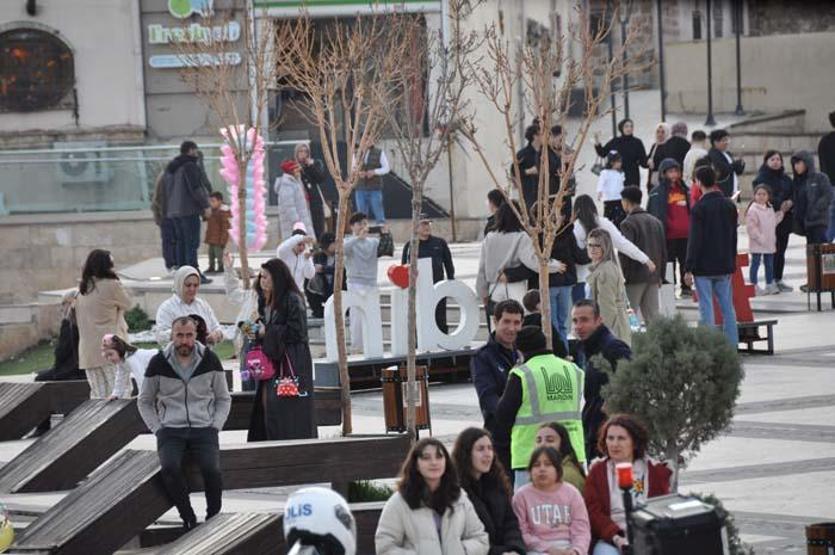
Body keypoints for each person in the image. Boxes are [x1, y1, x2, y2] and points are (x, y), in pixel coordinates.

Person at [138, 316, 231, 531]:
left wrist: (215, 426)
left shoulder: (210, 359)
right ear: (172, 336)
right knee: (169, 468)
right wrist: (158, 429)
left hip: (204, 428)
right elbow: (144, 401)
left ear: (196, 335)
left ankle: (213, 517)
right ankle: (187, 517)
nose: (184, 341)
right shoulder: (158, 362)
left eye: (189, 335)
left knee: (212, 470)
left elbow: (223, 398)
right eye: (179, 335)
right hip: (170, 430)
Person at [493, 326, 585, 489]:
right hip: (572, 455)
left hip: (531, 459)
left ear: (519, 351)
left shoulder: (522, 374)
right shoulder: (574, 369)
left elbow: (502, 416)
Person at [375, 438, 490, 555]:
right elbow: (385, 548)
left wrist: (462, 550)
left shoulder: (459, 498)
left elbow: (480, 539)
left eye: (439, 457)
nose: (434, 462)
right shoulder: (399, 502)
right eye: (426, 458)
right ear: (416, 464)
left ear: (446, 462)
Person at [247, 258, 317, 441]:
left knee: (287, 410)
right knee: (267, 407)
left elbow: (297, 332)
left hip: (291, 363)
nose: (262, 281)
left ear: (277, 278)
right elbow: (263, 328)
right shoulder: (264, 300)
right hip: (270, 363)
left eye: (266, 277)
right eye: (260, 277)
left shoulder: (292, 299)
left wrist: (267, 331)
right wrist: (253, 329)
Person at [584, 414, 671, 555]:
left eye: (621, 438)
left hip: (647, 536)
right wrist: (616, 537)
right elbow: (593, 512)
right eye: (610, 438)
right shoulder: (597, 471)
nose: (614, 444)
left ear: (634, 443)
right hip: (611, 538)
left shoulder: (654, 471)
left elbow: (662, 508)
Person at [684, 166, 740, 347]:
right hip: (724, 264)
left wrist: (688, 267)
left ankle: (709, 347)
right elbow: (733, 236)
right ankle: (732, 346)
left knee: (706, 308)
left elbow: (695, 240)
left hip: (703, 266)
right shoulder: (729, 205)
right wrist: (732, 260)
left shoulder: (699, 208)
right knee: (727, 307)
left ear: (699, 182)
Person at [571, 300, 631, 461]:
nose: (578, 326)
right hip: (595, 434)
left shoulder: (613, 348)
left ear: (598, 320)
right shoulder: (589, 348)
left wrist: (609, 410)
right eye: (575, 321)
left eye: (584, 320)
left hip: (610, 437)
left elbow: (632, 382)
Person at [452, 428, 526, 555]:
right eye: (480, 449)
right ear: (466, 453)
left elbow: (511, 523)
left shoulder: (497, 484)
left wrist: (515, 549)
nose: (487, 454)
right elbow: (465, 538)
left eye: (490, 448)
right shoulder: (456, 492)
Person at [477, 201, 561, 312]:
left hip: (494, 287)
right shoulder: (521, 237)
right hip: (515, 286)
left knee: (498, 320)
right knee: (518, 317)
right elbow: (533, 262)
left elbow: (482, 269)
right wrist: (556, 266)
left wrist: (482, 293)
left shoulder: (489, 238)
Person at [572, 195, 655, 304]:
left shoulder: (575, 227)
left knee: (584, 312)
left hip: (581, 278)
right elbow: (623, 244)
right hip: (606, 277)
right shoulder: (604, 223)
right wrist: (645, 259)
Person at [74, 249, 132, 399]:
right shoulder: (112, 285)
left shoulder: (82, 290)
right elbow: (128, 303)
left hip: (88, 353)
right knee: (121, 393)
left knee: (98, 397)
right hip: (111, 348)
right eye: (111, 264)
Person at [512, 446, 591, 555]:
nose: (542, 469)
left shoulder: (572, 493)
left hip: (568, 546)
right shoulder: (521, 496)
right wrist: (549, 549)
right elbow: (522, 533)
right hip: (535, 549)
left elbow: (581, 529)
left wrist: (576, 550)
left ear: (558, 469)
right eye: (536, 465)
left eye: (548, 464)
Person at [471, 300, 523, 433]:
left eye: (516, 323)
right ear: (495, 321)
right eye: (506, 321)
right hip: (500, 433)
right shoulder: (483, 357)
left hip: (526, 431)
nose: (511, 328)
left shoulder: (525, 352)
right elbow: (488, 398)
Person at [165, 140, 212, 284]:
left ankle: (182, 274)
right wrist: (206, 205)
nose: (197, 153)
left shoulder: (172, 167)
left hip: (174, 211)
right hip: (188, 210)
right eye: (196, 150)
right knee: (191, 243)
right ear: (191, 150)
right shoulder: (189, 165)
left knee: (181, 242)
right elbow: (196, 188)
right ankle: (193, 273)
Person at [619, 186, 666, 324]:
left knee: (628, 319)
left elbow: (625, 252)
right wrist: (661, 276)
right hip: (653, 276)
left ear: (626, 201)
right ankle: (657, 340)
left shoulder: (627, 223)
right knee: (653, 319)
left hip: (633, 277)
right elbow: (663, 252)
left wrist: (622, 276)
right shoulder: (656, 222)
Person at [401, 215, 455, 332]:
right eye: (423, 224)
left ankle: (442, 338)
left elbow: (448, 264)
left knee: (440, 318)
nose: (427, 227)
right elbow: (404, 267)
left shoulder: (440, 243)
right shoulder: (410, 245)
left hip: (438, 287)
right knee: (421, 319)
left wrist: (451, 282)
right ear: (415, 226)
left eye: (428, 223)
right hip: (419, 289)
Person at [647, 159, 691, 296]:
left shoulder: (684, 190)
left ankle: (686, 288)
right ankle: (669, 291)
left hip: (685, 234)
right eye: (670, 171)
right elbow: (654, 213)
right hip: (668, 235)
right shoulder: (657, 192)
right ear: (664, 173)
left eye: (676, 171)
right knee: (668, 264)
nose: (674, 174)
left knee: (685, 262)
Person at [752, 151, 795, 292]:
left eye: (778, 159)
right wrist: (779, 204)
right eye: (772, 159)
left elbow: (793, 192)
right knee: (770, 253)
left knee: (781, 250)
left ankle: (778, 278)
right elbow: (762, 197)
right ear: (766, 161)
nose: (776, 162)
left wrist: (790, 202)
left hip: (785, 219)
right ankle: (769, 281)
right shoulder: (761, 179)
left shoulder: (786, 178)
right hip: (768, 219)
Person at [547, 214, 590, 352]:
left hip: (550, 282)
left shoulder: (543, 235)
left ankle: (556, 352)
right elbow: (579, 256)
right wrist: (592, 249)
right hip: (565, 282)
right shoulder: (568, 234)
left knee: (553, 323)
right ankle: (564, 353)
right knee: (562, 323)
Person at [154, 266, 223, 347]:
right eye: (188, 285)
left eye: (195, 285)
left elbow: (217, 328)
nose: (192, 289)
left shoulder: (203, 305)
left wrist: (215, 335)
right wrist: (179, 333)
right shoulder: (167, 308)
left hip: (203, 353)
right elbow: (160, 337)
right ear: (179, 284)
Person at [344, 212, 384, 351]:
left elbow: (387, 249)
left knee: (373, 316)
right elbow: (342, 250)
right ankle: (357, 347)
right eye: (359, 224)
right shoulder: (347, 241)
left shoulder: (373, 242)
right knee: (357, 318)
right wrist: (357, 238)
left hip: (371, 283)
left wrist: (386, 234)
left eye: (365, 223)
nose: (363, 226)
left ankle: (374, 347)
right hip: (355, 283)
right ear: (352, 226)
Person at [586, 229, 632, 346]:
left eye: (597, 245)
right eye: (590, 245)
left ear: (605, 247)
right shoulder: (602, 267)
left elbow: (607, 307)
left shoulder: (606, 270)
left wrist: (602, 335)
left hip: (611, 328)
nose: (593, 249)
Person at [222, 252, 258, 392]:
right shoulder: (251, 296)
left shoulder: (272, 303)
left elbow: (262, 329)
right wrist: (229, 269)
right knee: (246, 382)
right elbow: (233, 292)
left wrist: (245, 327)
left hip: (260, 353)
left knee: (258, 388)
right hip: (244, 350)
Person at [746, 184, 789, 296]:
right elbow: (751, 227)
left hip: (769, 243)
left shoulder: (769, 208)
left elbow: (773, 222)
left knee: (769, 264)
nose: (761, 196)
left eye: (764, 194)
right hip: (757, 243)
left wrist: (781, 213)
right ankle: (754, 285)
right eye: (758, 194)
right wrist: (760, 238)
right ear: (754, 196)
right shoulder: (753, 210)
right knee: (755, 263)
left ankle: (769, 283)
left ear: (768, 196)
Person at [35, 290, 85, 383]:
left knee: (39, 378)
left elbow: (62, 353)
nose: (62, 308)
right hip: (83, 369)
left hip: (71, 370)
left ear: (71, 304)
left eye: (63, 304)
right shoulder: (87, 321)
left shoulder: (68, 323)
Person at [791, 150, 833, 246]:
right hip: (805, 224)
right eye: (794, 164)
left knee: (821, 249)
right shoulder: (797, 182)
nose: (796, 166)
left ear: (807, 162)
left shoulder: (820, 178)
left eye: (798, 163)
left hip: (819, 222)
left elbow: (828, 195)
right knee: (812, 251)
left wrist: (816, 209)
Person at [529, 423, 586, 493]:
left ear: (563, 444)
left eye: (550, 440)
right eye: (538, 441)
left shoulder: (566, 476)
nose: (542, 445)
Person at [594, 119, 648, 189]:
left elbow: (643, 161)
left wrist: (649, 162)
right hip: (616, 176)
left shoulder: (637, 142)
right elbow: (602, 153)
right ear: (621, 128)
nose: (629, 128)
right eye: (626, 126)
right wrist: (597, 140)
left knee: (632, 194)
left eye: (631, 126)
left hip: (632, 177)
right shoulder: (615, 141)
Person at [100, 334, 156, 400]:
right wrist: (116, 394)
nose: (109, 358)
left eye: (111, 354)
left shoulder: (131, 359)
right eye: (106, 356)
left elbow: (140, 377)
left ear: (119, 350)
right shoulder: (122, 362)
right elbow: (120, 378)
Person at [275, 159, 315, 242]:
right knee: (295, 244)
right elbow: (289, 207)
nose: (299, 171)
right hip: (294, 224)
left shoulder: (296, 182)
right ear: (291, 171)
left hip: (302, 220)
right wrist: (297, 223)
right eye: (296, 169)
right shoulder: (286, 185)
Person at [295, 142, 329, 238]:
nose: (303, 154)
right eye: (301, 151)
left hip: (315, 201)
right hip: (301, 202)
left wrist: (311, 166)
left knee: (318, 228)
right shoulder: (294, 167)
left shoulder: (314, 164)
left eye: (306, 152)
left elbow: (320, 178)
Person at [522, 289, 567, 358]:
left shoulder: (523, 322)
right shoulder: (543, 321)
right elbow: (556, 340)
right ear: (538, 305)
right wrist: (564, 354)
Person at [355, 143, 390, 226]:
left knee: (378, 212)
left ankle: (381, 230)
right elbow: (353, 167)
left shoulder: (379, 152)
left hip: (375, 188)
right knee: (361, 215)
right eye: (367, 138)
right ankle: (362, 230)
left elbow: (386, 168)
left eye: (370, 138)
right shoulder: (356, 152)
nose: (369, 141)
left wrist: (374, 172)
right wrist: (359, 173)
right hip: (360, 187)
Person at [307, 232, 339, 319]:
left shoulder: (340, 255)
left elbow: (340, 269)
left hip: (337, 287)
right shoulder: (319, 256)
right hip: (323, 286)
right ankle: (318, 311)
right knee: (309, 280)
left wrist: (324, 269)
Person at [151, 170, 177, 273]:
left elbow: (156, 200)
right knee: (170, 241)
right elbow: (158, 200)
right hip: (168, 215)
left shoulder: (164, 177)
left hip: (167, 215)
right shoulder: (168, 177)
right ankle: (172, 264)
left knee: (169, 241)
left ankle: (172, 264)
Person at [277, 225, 316, 294]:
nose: (301, 248)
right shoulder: (284, 253)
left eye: (303, 245)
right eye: (299, 244)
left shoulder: (304, 255)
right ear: (293, 242)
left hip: (297, 292)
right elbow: (282, 248)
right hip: (282, 291)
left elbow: (310, 275)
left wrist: (308, 260)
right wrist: (302, 238)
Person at [707, 129, 745, 198]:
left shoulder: (727, 154)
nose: (726, 143)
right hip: (723, 189)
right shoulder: (713, 154)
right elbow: (723, 169)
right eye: (723, 140)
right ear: (715, 142)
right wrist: (735, 164)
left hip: (734, 189)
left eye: (727, 140)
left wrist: (741, 164)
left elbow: (735, 170)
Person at [514, 123, 543, 210]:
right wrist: (529, 171)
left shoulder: (544, 152)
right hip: (529, 191)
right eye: (541, 134)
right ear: (535, 136)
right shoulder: (523, 154)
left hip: (544, 191)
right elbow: (514, 171)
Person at [203, 192, 230, 275]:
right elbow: (205, 219)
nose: (211, 203)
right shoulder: (212, 211)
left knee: (219, 254)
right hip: (211, 237)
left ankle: (221, 266)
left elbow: (225, 228)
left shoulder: (223, 212)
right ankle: (211, 266)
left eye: (213, 201)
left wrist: (223, 240)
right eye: (210, 201)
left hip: (219, 239)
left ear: (220, 201)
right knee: (211, 253)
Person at [597, 151, 626, 227]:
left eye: (620, 161)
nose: (620, 163)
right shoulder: (605, 172)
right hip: (608, 199)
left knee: (619, 217)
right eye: (618, 162)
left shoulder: (621, 173)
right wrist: (599, 192)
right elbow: (601, 183)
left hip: (619, 198)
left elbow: (622, 184)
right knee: (608, 218)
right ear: (612, 162)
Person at [645, 122, 671, 192]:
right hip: (652, 180)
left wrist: (654, 164)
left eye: (663, 132)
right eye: (658, 132)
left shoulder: (668, 146)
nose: (660, 134)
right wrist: (648, 161)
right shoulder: (655, 145)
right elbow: (649, 157)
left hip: (663, 180)